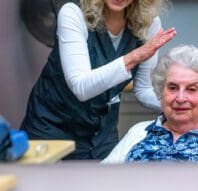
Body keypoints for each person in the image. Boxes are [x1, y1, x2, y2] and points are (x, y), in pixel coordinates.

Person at [20, 0, 176, 160]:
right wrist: (134, 57)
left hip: (102, 136)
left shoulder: (148, 23)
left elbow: (144, 89)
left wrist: (178, 102)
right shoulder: (73, 13)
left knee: (104, 184)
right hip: (52, 129)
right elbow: (81, 86)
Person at [102, 45, 198, 163]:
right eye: (172, 88)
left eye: (191, 89)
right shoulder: (138, 132)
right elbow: (102, 182)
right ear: (161, 92)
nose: (180, 98)